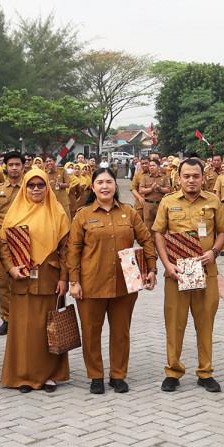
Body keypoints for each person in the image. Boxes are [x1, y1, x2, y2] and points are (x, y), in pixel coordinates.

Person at [67, 167, 157, 394]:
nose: (105, 186)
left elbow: (147, 240)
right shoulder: (83, 215)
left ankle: (118, 375)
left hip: (125, 284)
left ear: (116, 186)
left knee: (121, 333)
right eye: (100, 182)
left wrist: (152, 269)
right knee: (91, 333)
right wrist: (74, 281)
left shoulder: (129, 212)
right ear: (93, 187)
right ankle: (95, 376)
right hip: (91, 284)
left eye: (109, 182)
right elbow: (73, 250)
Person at [152, 158, 224, 393]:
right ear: (179, 178)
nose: (191, 180)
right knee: (175, 324)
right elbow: (158, 233)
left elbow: (223, 231)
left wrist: (214, 252)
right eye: (186, 176)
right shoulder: (168, 202)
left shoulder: (213, 201)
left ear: (203, 178)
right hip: (176, 273)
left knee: (205, 323)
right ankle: (173, 372)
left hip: (206, 272)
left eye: (196, 176)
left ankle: (205, 372)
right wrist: (166, 264)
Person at [0, 168, 72, 392]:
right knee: (23, 329)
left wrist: (64, 279)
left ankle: (49, 375)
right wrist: (10, 268)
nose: (36, 189)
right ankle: (23, 375)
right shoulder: (15, 212)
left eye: (41, 185)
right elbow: (3, 244)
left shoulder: (57, 211)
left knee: (47, 327)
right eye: (31, 185)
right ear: (25, 187)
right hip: (22, 278)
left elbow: (66, 249)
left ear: (47, 187)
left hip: (50, 278)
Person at [0, 151, 26, 335]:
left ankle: (24, 318)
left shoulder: (30, 187)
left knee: (25, 280)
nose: (14, 168)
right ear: (5, 167)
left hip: (26, 240)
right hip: (3, 241)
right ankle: (7, 319)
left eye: (17, 164)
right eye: (11, 165)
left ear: (23, 167)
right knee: (3, 283)